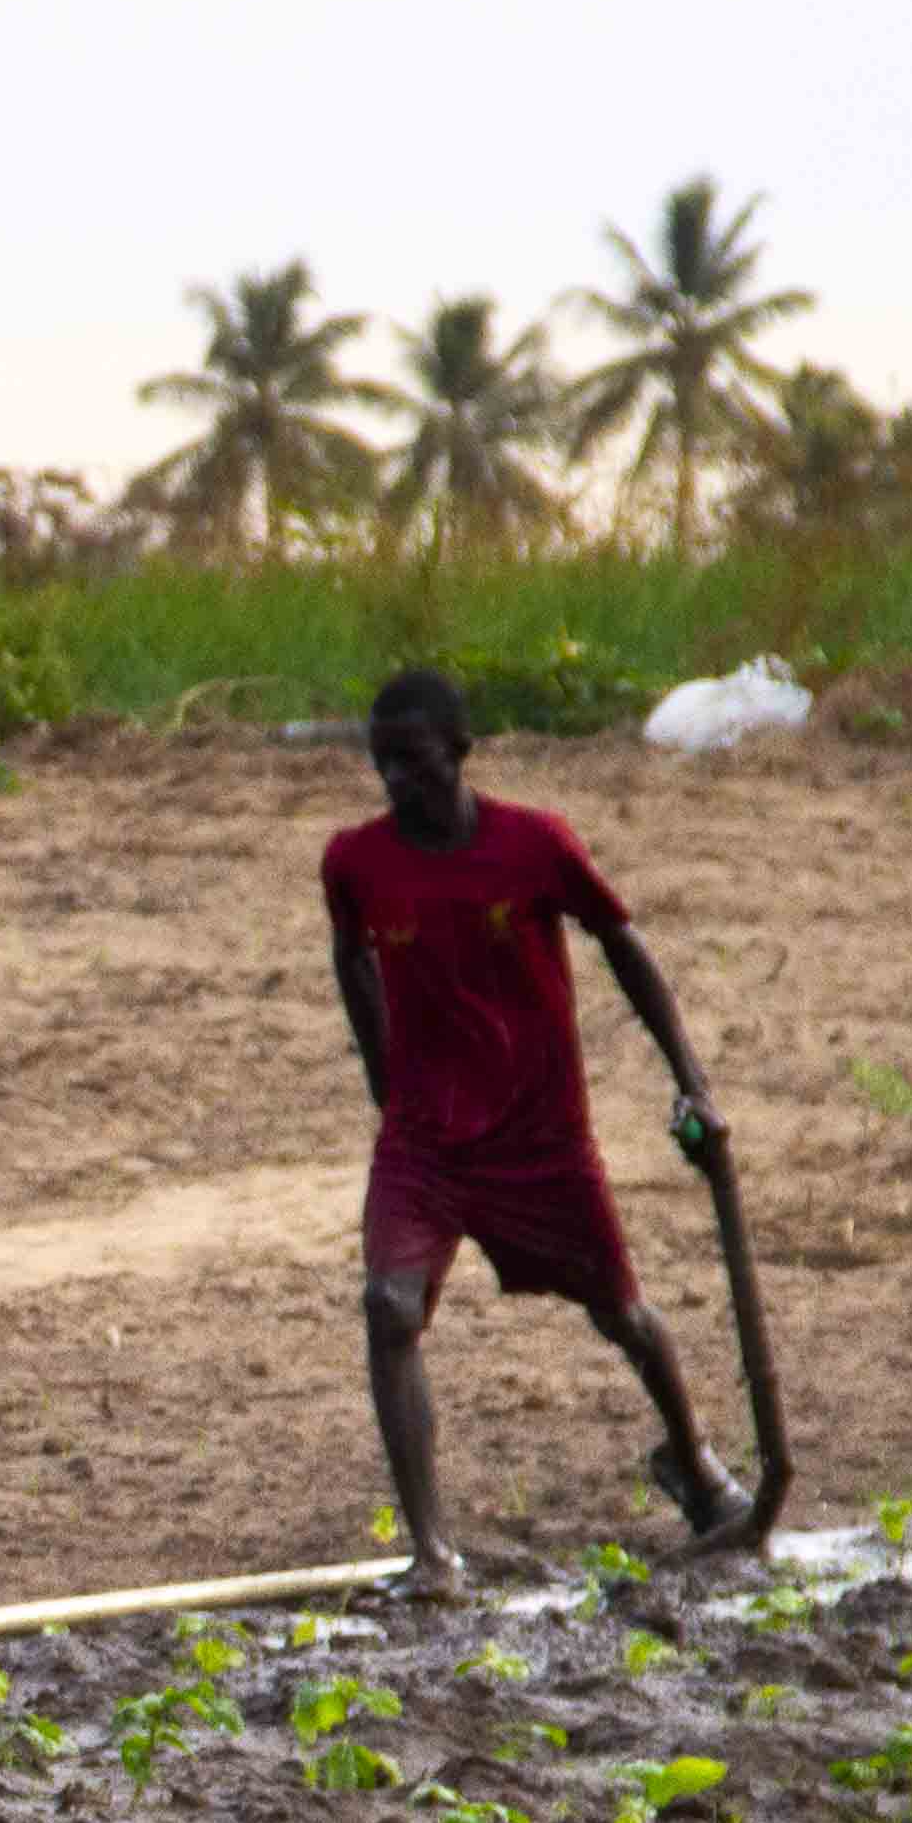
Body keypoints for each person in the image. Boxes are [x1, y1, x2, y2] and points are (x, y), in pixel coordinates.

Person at [326, 665, 737, 1595]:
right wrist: (385, 1081)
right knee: (389, 1308)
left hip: (539, 1138)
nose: (396, 782)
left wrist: (692, 1084)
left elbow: (621, 944)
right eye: (382, 763)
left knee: (621, 1313)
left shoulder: (533, 845)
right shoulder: (355, 863)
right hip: (424, 1143)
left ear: (460, 753)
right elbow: (350, 956)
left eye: (414, 761)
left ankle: (694, 1464)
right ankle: (431, 1552)